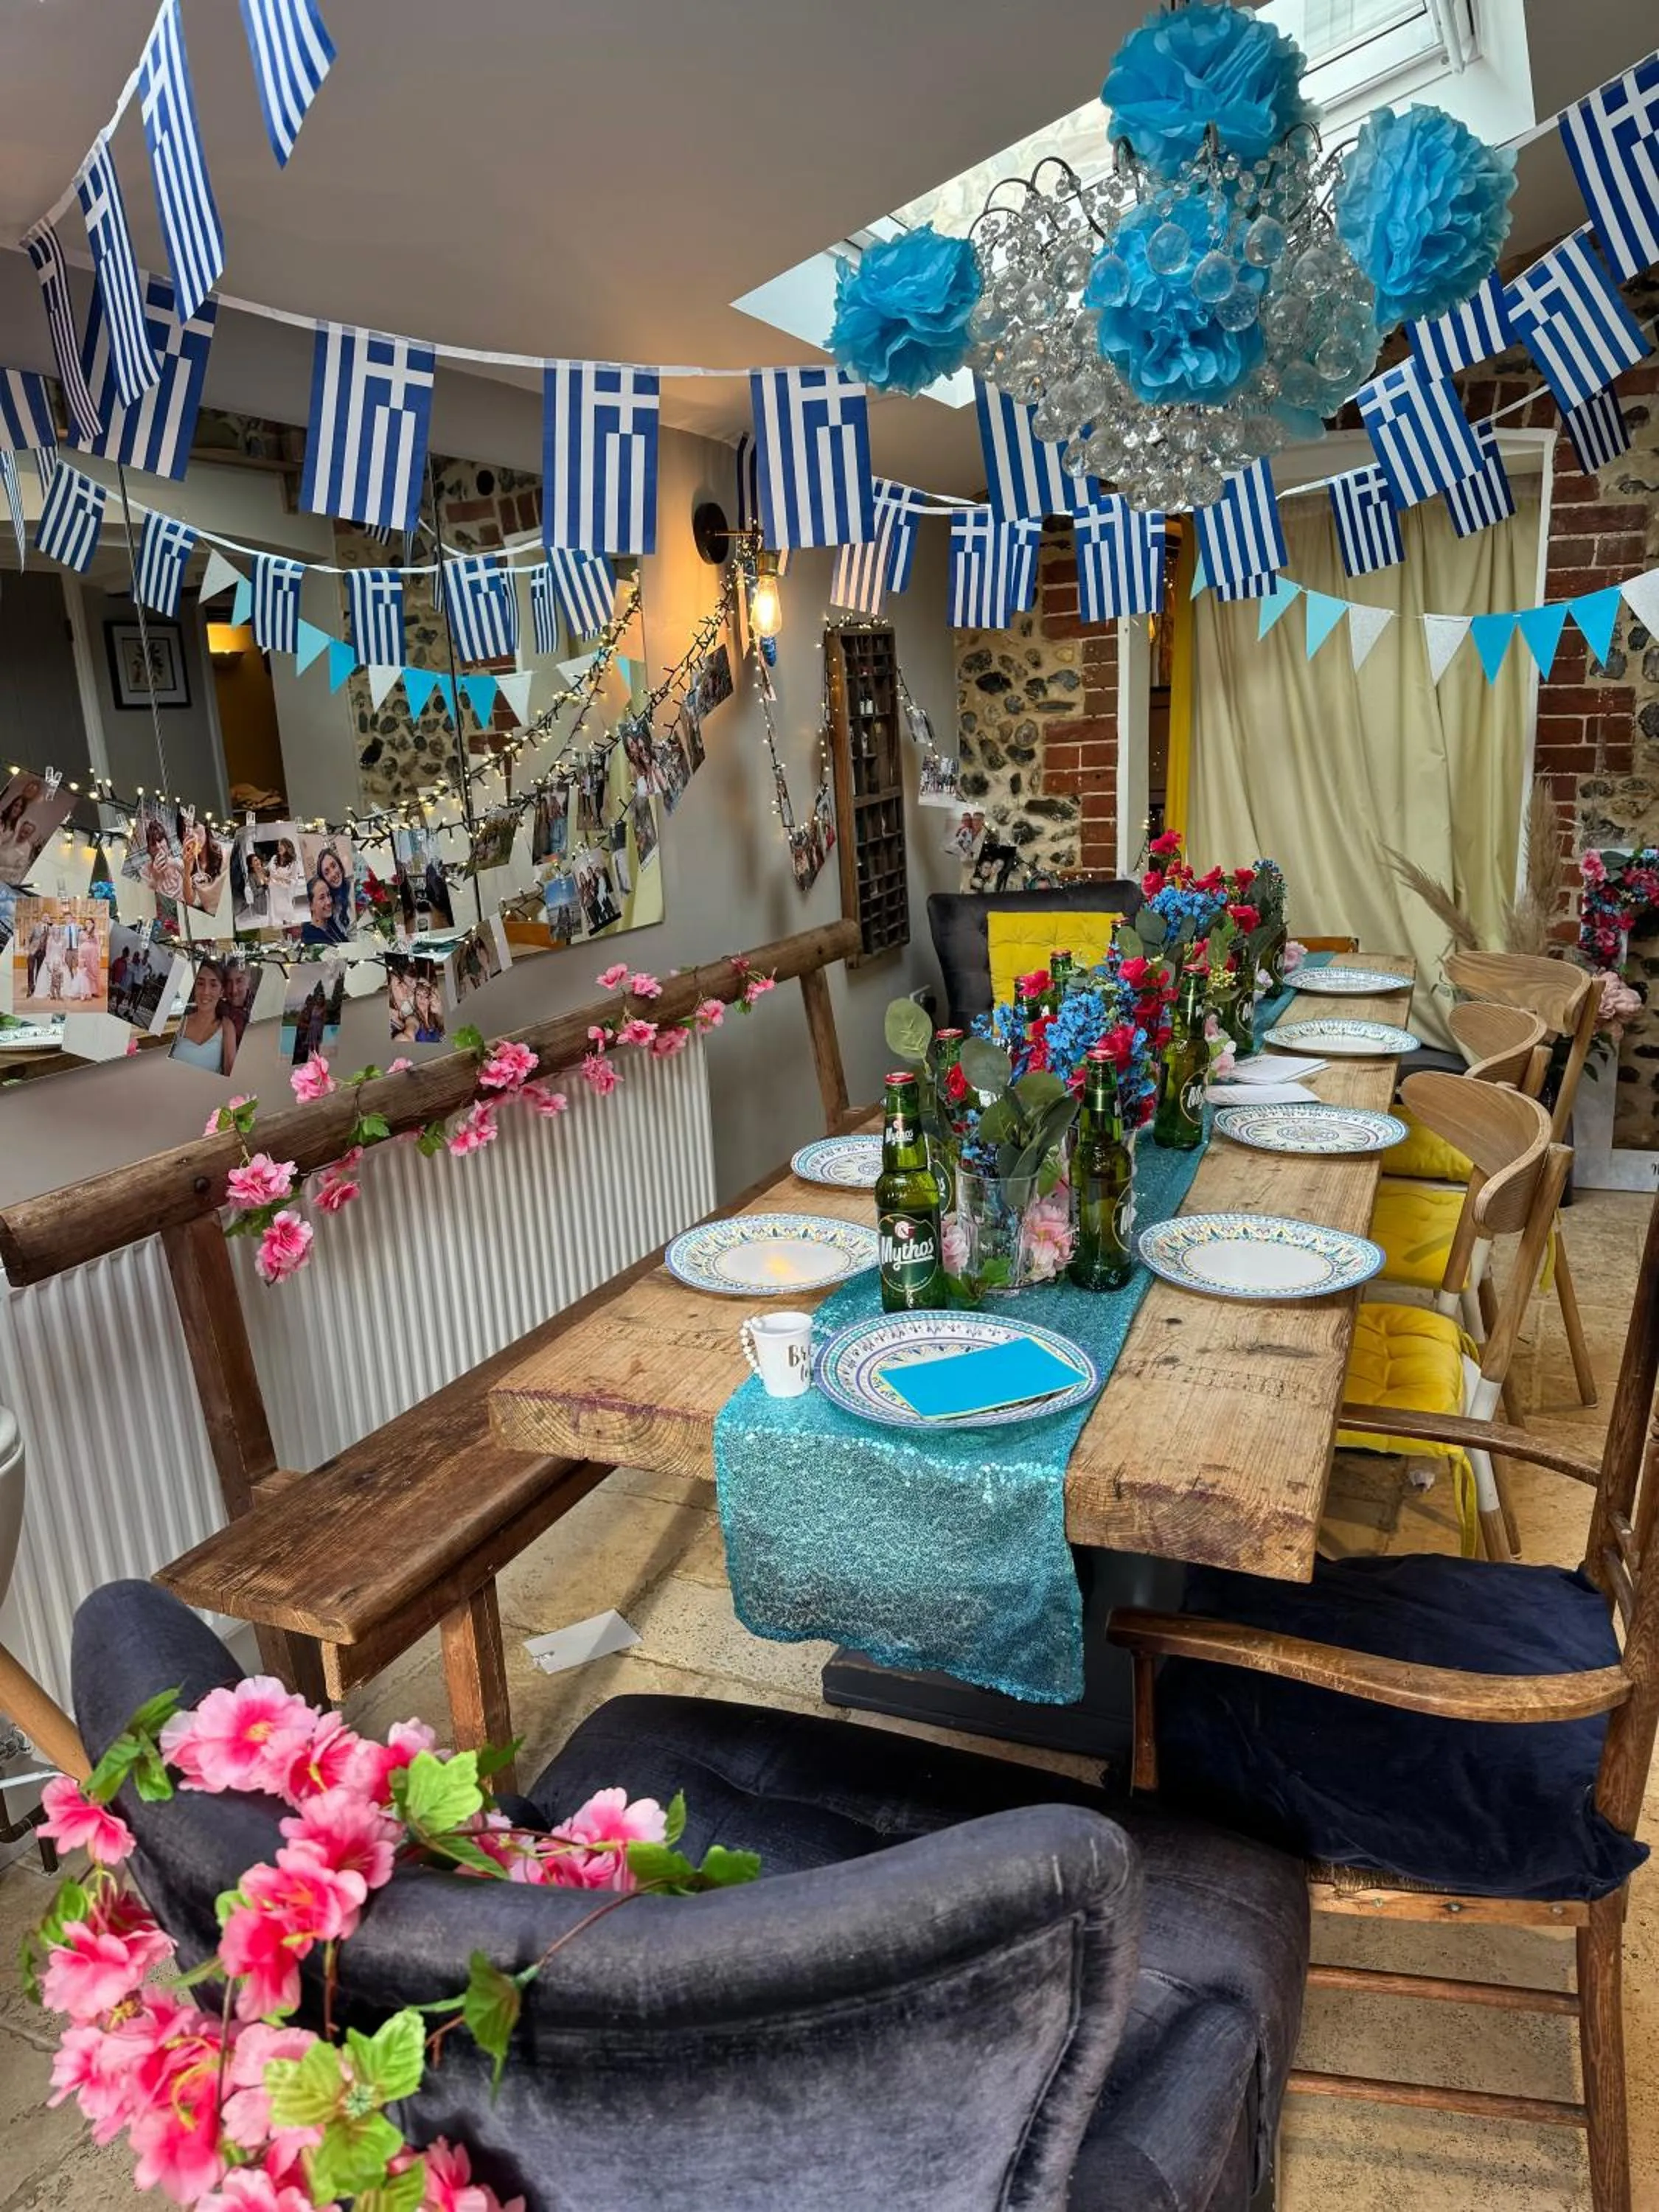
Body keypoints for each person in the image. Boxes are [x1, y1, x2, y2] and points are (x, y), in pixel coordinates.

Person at [171, 959, 240, 1077]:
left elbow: (231, 1071)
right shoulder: (182, 1022)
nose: (205, 992)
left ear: (222, 991)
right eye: (201, 984)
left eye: (213, 985)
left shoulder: (226, 1026)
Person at [141, 817, 185, 904]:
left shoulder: (178, 863)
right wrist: (155, 876)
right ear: (149, 850)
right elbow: (146, 900)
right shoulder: (146, 871)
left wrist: (171, 862)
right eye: (153, 844)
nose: (158, 846)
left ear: (167, 842)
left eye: (160, 840)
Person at [315, 844, 352, 931]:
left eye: (334, 866)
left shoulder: (354, 888)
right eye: (327, 873)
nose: (333, 874)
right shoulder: (328, 906)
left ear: (339, 865)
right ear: (324, 880)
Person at [299, 876, 347, 946]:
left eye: (328, 895)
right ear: (311, 905)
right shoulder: (310, 938)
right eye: (322, 898)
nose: (328, 902)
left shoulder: (331, 925)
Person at [412, 973, 444, 1044]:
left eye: (425, 995)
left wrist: (431, 986)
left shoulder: (436, 1016)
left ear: (430, 999)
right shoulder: (413, 1019)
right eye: (418, 995)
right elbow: (409, 1031)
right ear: (415, 999)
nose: (421, 998)